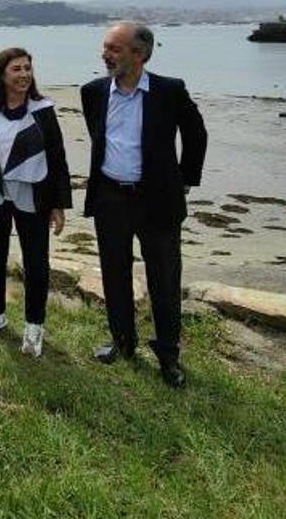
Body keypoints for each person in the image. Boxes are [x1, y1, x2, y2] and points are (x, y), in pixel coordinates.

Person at [81, 22, 207, 388]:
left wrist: (184, 180)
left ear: (141, 54)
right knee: (115, 275)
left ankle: (169, 357)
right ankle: (123, 344)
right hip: (110, 200)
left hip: (158, 202)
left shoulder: (169, 91)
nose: (106, 55)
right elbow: (100, 138)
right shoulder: (92, 92)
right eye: (105, 47)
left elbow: (196, 134)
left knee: (165, 281)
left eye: (115, 49)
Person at [0, 47, 71, 357]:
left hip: (33, 194)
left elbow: (57, 157)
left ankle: (34, 325)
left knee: (36, 262)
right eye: (16, 69)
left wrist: (59, 204)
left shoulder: (43, 109)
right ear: (1, 74)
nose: (24, 74)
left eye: (27, 69)